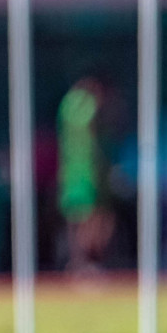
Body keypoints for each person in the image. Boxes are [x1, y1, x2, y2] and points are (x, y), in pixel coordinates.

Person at [58, 77, 113, 273]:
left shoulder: (69, 105)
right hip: (84, 173)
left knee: (79, 220)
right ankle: (84, 264)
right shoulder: (84, 105)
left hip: (74, 173)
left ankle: (80, 263)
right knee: (89, 220)